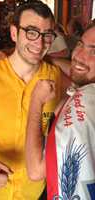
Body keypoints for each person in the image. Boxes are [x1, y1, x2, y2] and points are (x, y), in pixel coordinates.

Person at [0, 1, 70, 199]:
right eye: (31, 32)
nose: (40, 42)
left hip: (34, 190)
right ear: (13, 33)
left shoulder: (56, 76)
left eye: (47, 35)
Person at [25, 23, 95, 199]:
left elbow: (36, 170)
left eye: (94, 51)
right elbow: (73, 69)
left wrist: (36, 101)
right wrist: (47, 60)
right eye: (80, 44)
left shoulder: (84, 111)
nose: (78, 56)